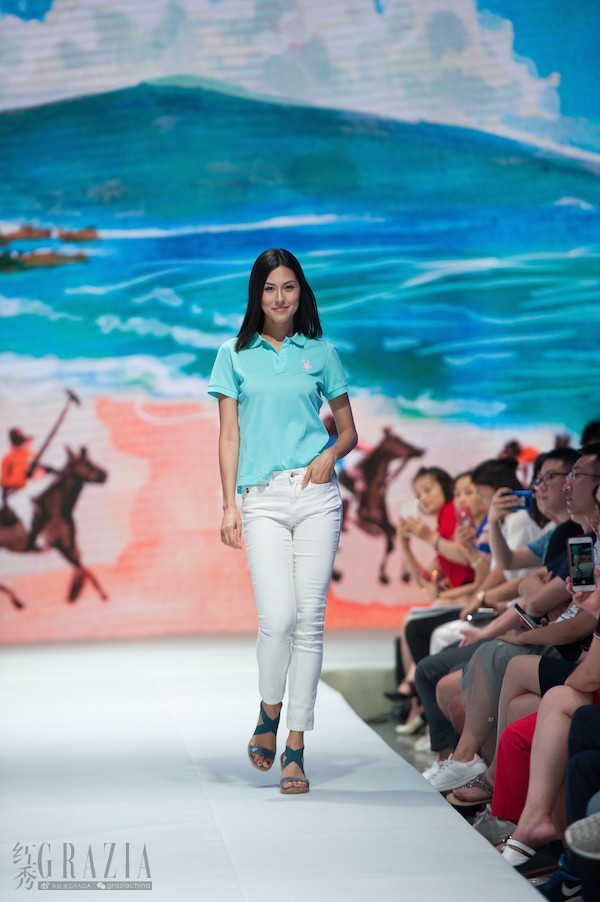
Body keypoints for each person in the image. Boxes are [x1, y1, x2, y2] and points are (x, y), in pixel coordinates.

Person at [208, 248, 358, 795]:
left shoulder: (321, 352)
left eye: (288, 287)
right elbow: (229, 435)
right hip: (262, 499)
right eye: (270, 288)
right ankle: (269, 709)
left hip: (316, 496)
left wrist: (330, 455)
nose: (279, 297)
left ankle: (295, 744)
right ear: (257, 294)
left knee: (310, 622)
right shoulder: (233, 354)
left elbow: (348, 430)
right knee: (278, 619)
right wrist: (229, 505)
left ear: (301, 292)